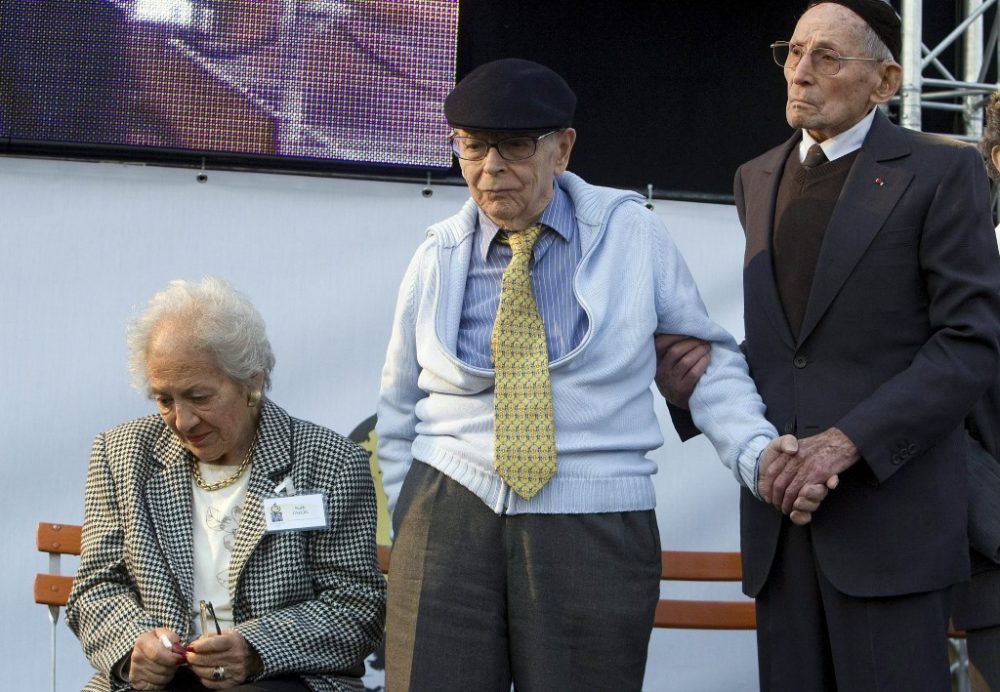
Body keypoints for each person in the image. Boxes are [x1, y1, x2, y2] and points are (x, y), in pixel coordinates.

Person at [375, 58, 814, 692]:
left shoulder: (630, 232)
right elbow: (397, 402)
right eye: (472, 147)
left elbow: (704, 361)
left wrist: (755, 453)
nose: (490, 168)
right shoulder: (436, 253)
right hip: (447, 510)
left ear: (563, 148)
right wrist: (415, 516)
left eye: (515, 147)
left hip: (595, 519)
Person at [658, 1, 1000, 689]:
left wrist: (847, 442)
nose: (800, 73)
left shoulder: (940, 172)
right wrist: (692, 389)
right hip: (783, 526)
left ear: (885, 81)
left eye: (827, 57)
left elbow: (968, 342)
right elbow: (794, 345)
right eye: (792, 52)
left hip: (891, 528)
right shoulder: (755, 177)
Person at [66, 277, 386, 692]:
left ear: (250, 384)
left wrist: (255, 648)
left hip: (282, 678)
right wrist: (135, 646)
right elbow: (95, 587)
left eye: (199, 397)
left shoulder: (328, 461)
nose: (182, 421)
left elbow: (355, 607)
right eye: (164, 400)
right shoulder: (121, 455)